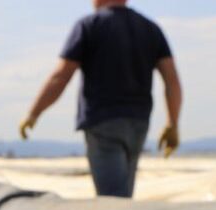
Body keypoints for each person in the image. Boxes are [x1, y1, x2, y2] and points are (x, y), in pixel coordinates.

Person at [20, 0, 182, 198]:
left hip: (103, 123)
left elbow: (61, 76)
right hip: (138, 123)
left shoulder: (90, 25)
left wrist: (34, 113)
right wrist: (172, 124)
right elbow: (171, 79)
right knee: (123, 194)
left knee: (113, 200)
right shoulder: (149, 28)